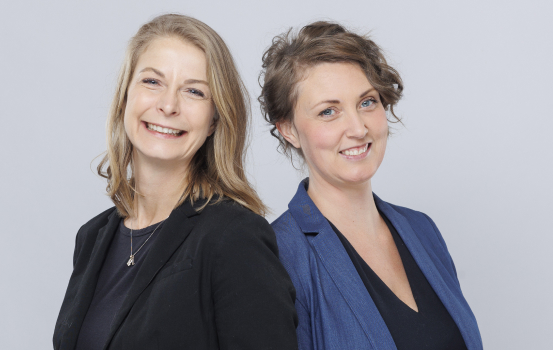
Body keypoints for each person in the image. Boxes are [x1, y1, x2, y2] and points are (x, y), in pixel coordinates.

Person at [53, 14, 298, 350]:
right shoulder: (93, 238)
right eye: (152, 82)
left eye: (194, 91)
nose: (168, 105)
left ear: (214, 120)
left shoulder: (235, 237)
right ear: (126, 96)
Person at [259, 21, 483, 350]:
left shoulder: (422, 229)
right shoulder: (278, 255)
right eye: (328, 111)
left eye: (366, 102)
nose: (357, 128)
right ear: (288, 130)